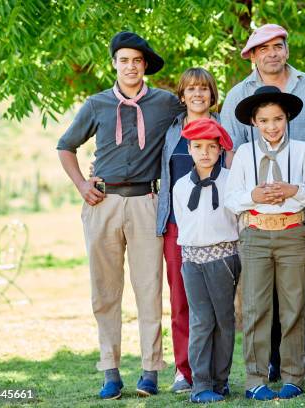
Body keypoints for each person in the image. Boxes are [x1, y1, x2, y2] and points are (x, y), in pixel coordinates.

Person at [56, 31, 184, 399]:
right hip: (103, 203)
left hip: (146, 200)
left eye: (137, 61)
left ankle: (149, 371)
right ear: (114, 63)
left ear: (145, 66)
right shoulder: (96, 104)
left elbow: (195, 118)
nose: (130, 66)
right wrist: (82, 184)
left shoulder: (164, 103)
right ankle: (110, 371)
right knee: (105, 290)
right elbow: (66, 147)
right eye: (124, 60)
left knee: (148, 288)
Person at [221, 22, 305, 385]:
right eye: (263, 47)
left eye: (278, 45)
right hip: (257, 223)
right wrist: (252, 196)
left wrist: (296, 190)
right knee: (259, 302)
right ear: (252, 54)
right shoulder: (240, 97)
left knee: (301, 294)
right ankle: (263, 369)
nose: (272, 52)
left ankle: (302, 366)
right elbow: (231, 164)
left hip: (298, 218)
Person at [156, 67, 221, 393]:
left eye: (204, 89)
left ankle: (216, 372)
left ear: (212, 94)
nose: (198, 94)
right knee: (181, 301)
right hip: (178, 229)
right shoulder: (170, 132)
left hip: (221, 232)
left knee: (220, 305)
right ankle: (186, 370)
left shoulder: (224, 128)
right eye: (191, 89)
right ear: (182, 96)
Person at [171, 118, 240, 404]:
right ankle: (200, 384)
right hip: (191, 260)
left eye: (211, 147)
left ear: (220, 151)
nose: (204, 152)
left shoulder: (230, 181)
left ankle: (220, 380)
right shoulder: (180, 186)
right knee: (201, 321)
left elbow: (236, 219)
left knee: (224, 320)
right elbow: (183, 222)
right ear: (189, 148)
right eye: (198, 146)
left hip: (223, 258)